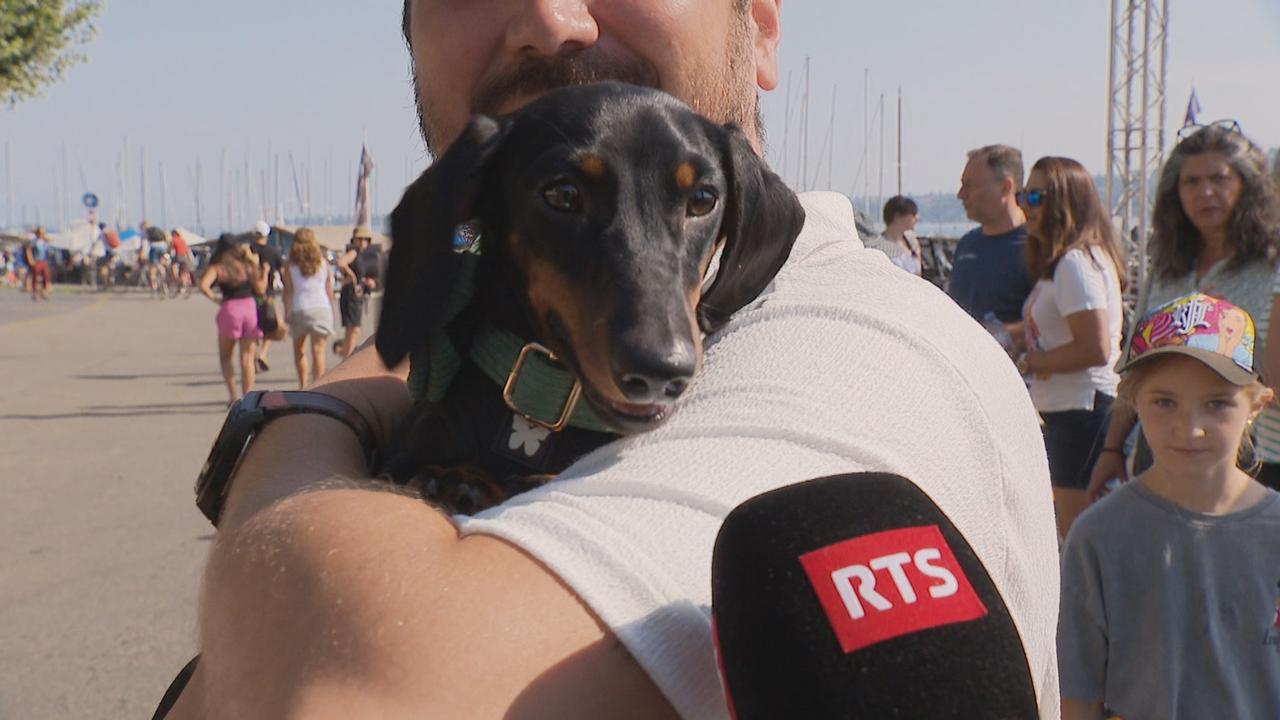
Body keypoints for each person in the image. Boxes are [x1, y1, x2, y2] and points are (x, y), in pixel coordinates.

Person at [164, 3, 1062, 718]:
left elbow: (340, 697)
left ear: (761, 24)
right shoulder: (469, 356)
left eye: (693, 202)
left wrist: (299, 422)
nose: (552, 18)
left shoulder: (868, 356)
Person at [1058, 292, 1280, 720]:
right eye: (1165, 402)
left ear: (1256, 405)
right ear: (1133, 401)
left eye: (1217, 403)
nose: (1190, 428)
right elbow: (1080, 694)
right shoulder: (1097, 537)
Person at [1090, 122, 1280, 498]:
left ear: (1249, 185)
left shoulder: (1272, 267)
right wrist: (1112, 448)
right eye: (1190, 182)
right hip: (1160, 455)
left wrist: (1217, 331)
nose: (1205, 192)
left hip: (1251, 464)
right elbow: (1136, 368)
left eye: (1219, 178)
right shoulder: (1167, 269)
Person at [1015, 157, 1126, 538]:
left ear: (1067, 202)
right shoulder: (1071, 261)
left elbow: (1094, 347)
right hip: (1071, 411)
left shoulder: (1076, 263)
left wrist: (1028, 361)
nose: (1024, 206)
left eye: (1034, 196)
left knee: (1078, 536)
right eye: (1021, 196)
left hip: (1081, 411)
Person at [949, 145, 1035, 356]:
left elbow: (1059, 321)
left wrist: (1006, 333)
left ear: (1006, 187)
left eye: (969, 185)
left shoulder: (1037, 246)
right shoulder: (967, 244)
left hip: (1015, 377)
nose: (961, 195)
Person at [197, 235, 267, 406]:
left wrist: (216, 299)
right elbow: (260, 288)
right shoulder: (246, 265)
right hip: (250, 308)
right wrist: (262, 270)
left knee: (226, 356)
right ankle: (248, 397)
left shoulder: (218, 267)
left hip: (230, 310)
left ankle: (233, 395)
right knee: (247, 358)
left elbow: (203, 285)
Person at [282, 227, 335, 389]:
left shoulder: (290, 266)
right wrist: (330, 308)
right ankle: (318, 386)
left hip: (300, 308)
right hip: (321, 308)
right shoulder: (323, 263)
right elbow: (329, 290)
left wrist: (287, 311)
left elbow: (288, 291)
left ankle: (303, 384)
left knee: (300, 351)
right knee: (319, 351)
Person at [333, 226, 379, 358]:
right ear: (355, 240)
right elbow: (341, 262)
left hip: (355, 293)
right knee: (354, 329)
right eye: (360, 239)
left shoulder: (360, 255)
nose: (363, 242)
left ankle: (346, 354)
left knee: (353, 329)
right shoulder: (353, 252)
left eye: (366, 239)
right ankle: (347, 356)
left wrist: (364, 281)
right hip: (350, 295)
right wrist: (351, 275)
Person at [250, 221, 283, 372]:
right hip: (268, 294)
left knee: (253, 326)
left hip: (248, 294)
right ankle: (262, 353)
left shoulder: (248, 250)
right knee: (270, 325)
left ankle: (253, 354)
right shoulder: (272, 252)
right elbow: (282, 271)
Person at [864, 195, 922, 275]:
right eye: (913, 214)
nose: (917, 218)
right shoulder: (877, 246)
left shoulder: (912, 244)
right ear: (897, 216)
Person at [23, 226, 52, 301]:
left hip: (44, 261)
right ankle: (35, 293)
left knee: (46, 276)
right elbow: (28, 249)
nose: (42, 234)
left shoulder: (45, 242)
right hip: (36, 261)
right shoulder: (34, 242)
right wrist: (30, 259)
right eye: (40, 233)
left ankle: (44, 291)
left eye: (43, 233)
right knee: (35, 277)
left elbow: (48, 251)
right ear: (37, 233)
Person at [169, 229, 195, 298]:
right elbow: (187, 250)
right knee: (183, 272)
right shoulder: (183, 240)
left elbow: (171, 251)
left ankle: (177, 279)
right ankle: (183, 284)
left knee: (172, 267)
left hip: (178, 256)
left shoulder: (173, 240)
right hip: (185, 257)